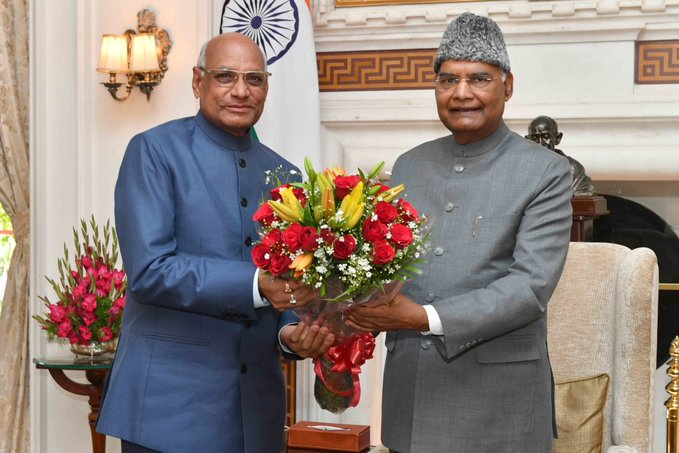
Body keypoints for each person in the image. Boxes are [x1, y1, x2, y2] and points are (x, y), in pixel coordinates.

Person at [345, 13, 573, 453]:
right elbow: (387, 267)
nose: (462, 93)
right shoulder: (410, 164)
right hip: (411, 396)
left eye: (479, 79)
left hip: (498, 408)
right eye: (448, 80)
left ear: (507, 86)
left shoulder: (545, 170)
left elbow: (529, 288)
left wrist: (423, 318)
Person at [96, 33, 334, 453]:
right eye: (225, 76)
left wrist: (291, 332)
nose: (241, 91)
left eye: (254, 79)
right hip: (168, 413)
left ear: (266, 87)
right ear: (196, 81)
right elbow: (151, 272)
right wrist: (257, 284)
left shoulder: (287, 176)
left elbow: (288, 285)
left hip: (256, 417)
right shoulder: (154, 152)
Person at [526, 115, 594, 196]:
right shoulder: (521, 168)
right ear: (527, 140)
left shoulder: (572, 169)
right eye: (534, 138)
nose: (540, 143)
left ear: (557, 138)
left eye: (546, 137)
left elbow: (583, 196)